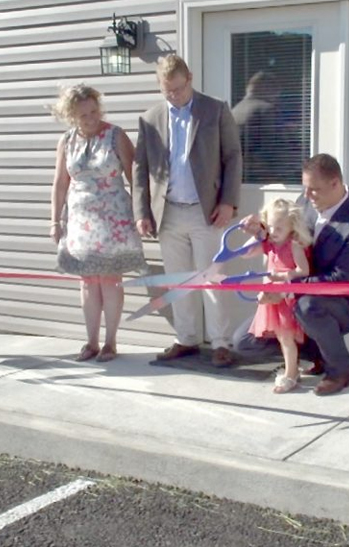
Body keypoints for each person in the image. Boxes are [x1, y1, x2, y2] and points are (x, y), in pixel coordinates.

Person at [132, 53, 242, 367]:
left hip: (206, 211)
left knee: (212, 280)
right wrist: (142, 211)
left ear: (189, 78)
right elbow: (140, 167)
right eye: (168, 91)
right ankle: (187, 338)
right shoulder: (150, 118)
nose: (174, 96)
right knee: (179, 281)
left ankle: (221, 343)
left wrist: (228, 201)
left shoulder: (215, 109)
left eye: (178, 89)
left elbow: (233, 156)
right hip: (167, 213)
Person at [242, 154, 349, 395]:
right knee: (245, 343)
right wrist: (261, 230)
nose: (307, 196)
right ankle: (313, 353)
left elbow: (341, 279)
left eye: (314, 190)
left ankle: (339, 371)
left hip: (342, 302)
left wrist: (287, 288)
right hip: (294, 294)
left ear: (336, 183)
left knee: (308, 307)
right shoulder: (303, 204)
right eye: (305, 188)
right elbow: (279, 237)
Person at [50, 84, 146, 362]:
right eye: (83, 115)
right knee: (88, 281)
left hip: (113, 217)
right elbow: (59, 183)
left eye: (94, 111)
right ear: (71, 116)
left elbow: (135, 177)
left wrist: (142, 215)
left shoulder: (116, 135)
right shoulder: (67, 141)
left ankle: (110, 342)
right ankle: (90, 341)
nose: (90, 118)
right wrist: (54, 221)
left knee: (110, 279)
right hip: (81, 217)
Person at [245, 198, 312, 393]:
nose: (274, 232)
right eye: (271, 227)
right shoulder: (270, 243)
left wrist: (280, 276)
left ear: (292, 225)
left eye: (279, 228)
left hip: (286, 297)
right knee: (283, 338)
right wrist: (258, 232)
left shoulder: (294, 245)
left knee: (286, 337)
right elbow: (245, 253)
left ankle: (291, 374)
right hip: (271, 297)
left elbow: (303, 271)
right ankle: (292, 368)